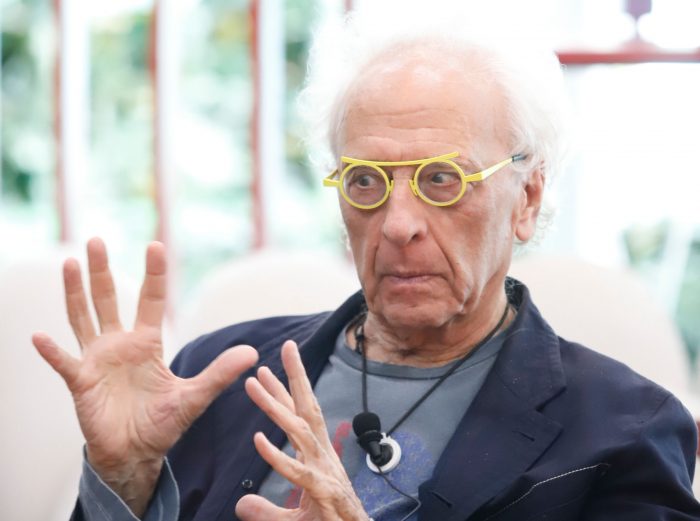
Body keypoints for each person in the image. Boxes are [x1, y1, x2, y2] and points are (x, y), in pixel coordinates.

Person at [33, 4, 700, 521]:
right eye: (365, 181)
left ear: (526, 197)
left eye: (441, 179)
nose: (399, 223)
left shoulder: (623, 432)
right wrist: (124, 478)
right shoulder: (218, 377)